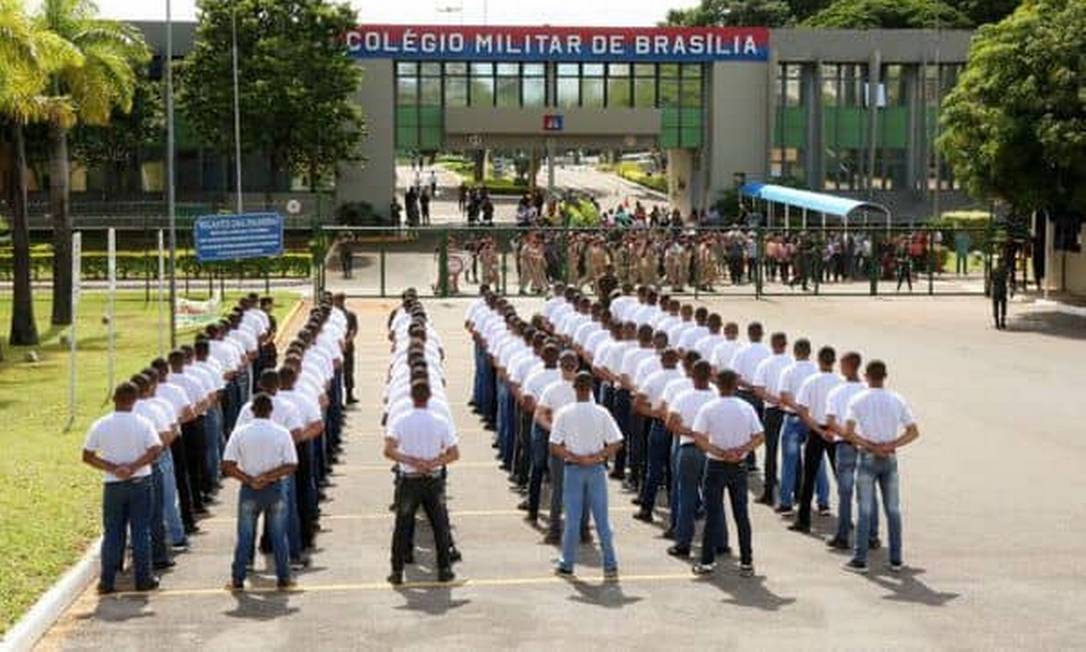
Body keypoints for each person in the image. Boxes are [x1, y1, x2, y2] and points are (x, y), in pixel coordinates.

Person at [82, 382, 165, 594]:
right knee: (140, 531)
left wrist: (114, 468)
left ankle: (107, 581)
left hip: (113, 484)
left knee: (113, 533)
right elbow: (156, 449)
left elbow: (87, 456)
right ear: (135, 401)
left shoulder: (100, 424)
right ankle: (143, 578)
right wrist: (134, 466)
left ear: (114, 399)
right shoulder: (143, 423)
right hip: (140, 481)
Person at [843, 360, 919, 573]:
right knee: (893, 509)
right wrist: (891, 445)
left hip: (868, 455)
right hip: (889, 457)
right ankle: (896, 558)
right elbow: (913, 431)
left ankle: (860, 559)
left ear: (866, 376)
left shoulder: (858, 399)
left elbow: (848, 431)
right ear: (885, 376)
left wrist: (869, 445)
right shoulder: (897, 399)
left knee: (865, 510)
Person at [690, 369, 764, 577]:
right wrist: (741, 450)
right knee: (742, 515)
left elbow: (698, 436)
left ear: (718, 383)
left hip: (716, 464)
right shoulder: (746, 408)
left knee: (712, 514)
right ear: (735, 385)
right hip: (738, 465)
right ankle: (747, 562)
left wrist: (719, 452)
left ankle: (707, 561)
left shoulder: (709, 408)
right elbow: (759, 436)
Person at [385, 381, 460, 585]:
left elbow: (389, 450)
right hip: (432, 478)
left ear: (411, 396)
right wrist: (433, 462)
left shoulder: (401, 420)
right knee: (439, 525)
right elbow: (454, 453)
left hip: (410, 479)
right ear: (429, 397)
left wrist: (411, 461)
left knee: (402, 526)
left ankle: (397, 571)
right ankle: (444, 569)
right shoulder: (440, 420)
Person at [550, 372, 623, 579]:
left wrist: (574, 455)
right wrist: (596, 457)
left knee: (572, 519)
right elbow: (616, 442)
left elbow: (554, 445)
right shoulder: (601, 412)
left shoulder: (564, 413)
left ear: (575, 388)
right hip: (596, 468)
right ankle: (610, 562)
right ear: (591, 388)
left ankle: (567, 563)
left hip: (573, 468)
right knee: (602, 518)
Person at [222, 393, 298, 590]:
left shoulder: (240, 433)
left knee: (245, 536)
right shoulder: (282, 433)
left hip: (249, 489)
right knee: (279, 536)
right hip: (275, 488)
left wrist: (250, 479)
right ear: (271, 411)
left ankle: (238, 578)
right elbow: (291, 464)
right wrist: (269, 476)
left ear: (252, 410)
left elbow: (228, 465)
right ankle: (284, 577)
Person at [825, 351, 880, 551]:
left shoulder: (836, 392)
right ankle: (872, 535)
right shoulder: (868, 390)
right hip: (866, 444)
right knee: (868, 491)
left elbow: (831, 421)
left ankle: (843, 535)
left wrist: (848, 436)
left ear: (847, 366)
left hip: (845, 444)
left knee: (845, 492)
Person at [791, 346, 842, 533]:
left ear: (819, 360)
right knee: (842, 477)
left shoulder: (811, 381)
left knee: (809, 477)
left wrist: (819, 432)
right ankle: (846, 520)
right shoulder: (841, 382)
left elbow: (802, 411)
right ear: (834, 361)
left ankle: (803, 520)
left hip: (817, 430)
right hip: (837, 432)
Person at [991, 260, 1009, 330]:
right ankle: (1003, 321)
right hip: (1003, 290)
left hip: (995, 290)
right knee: (1003, 306)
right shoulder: (1005, 271)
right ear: (1001, 263)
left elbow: (991, 279)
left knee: (995, 306)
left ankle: (997, 323)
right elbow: (1007, 279)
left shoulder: (994, 270)